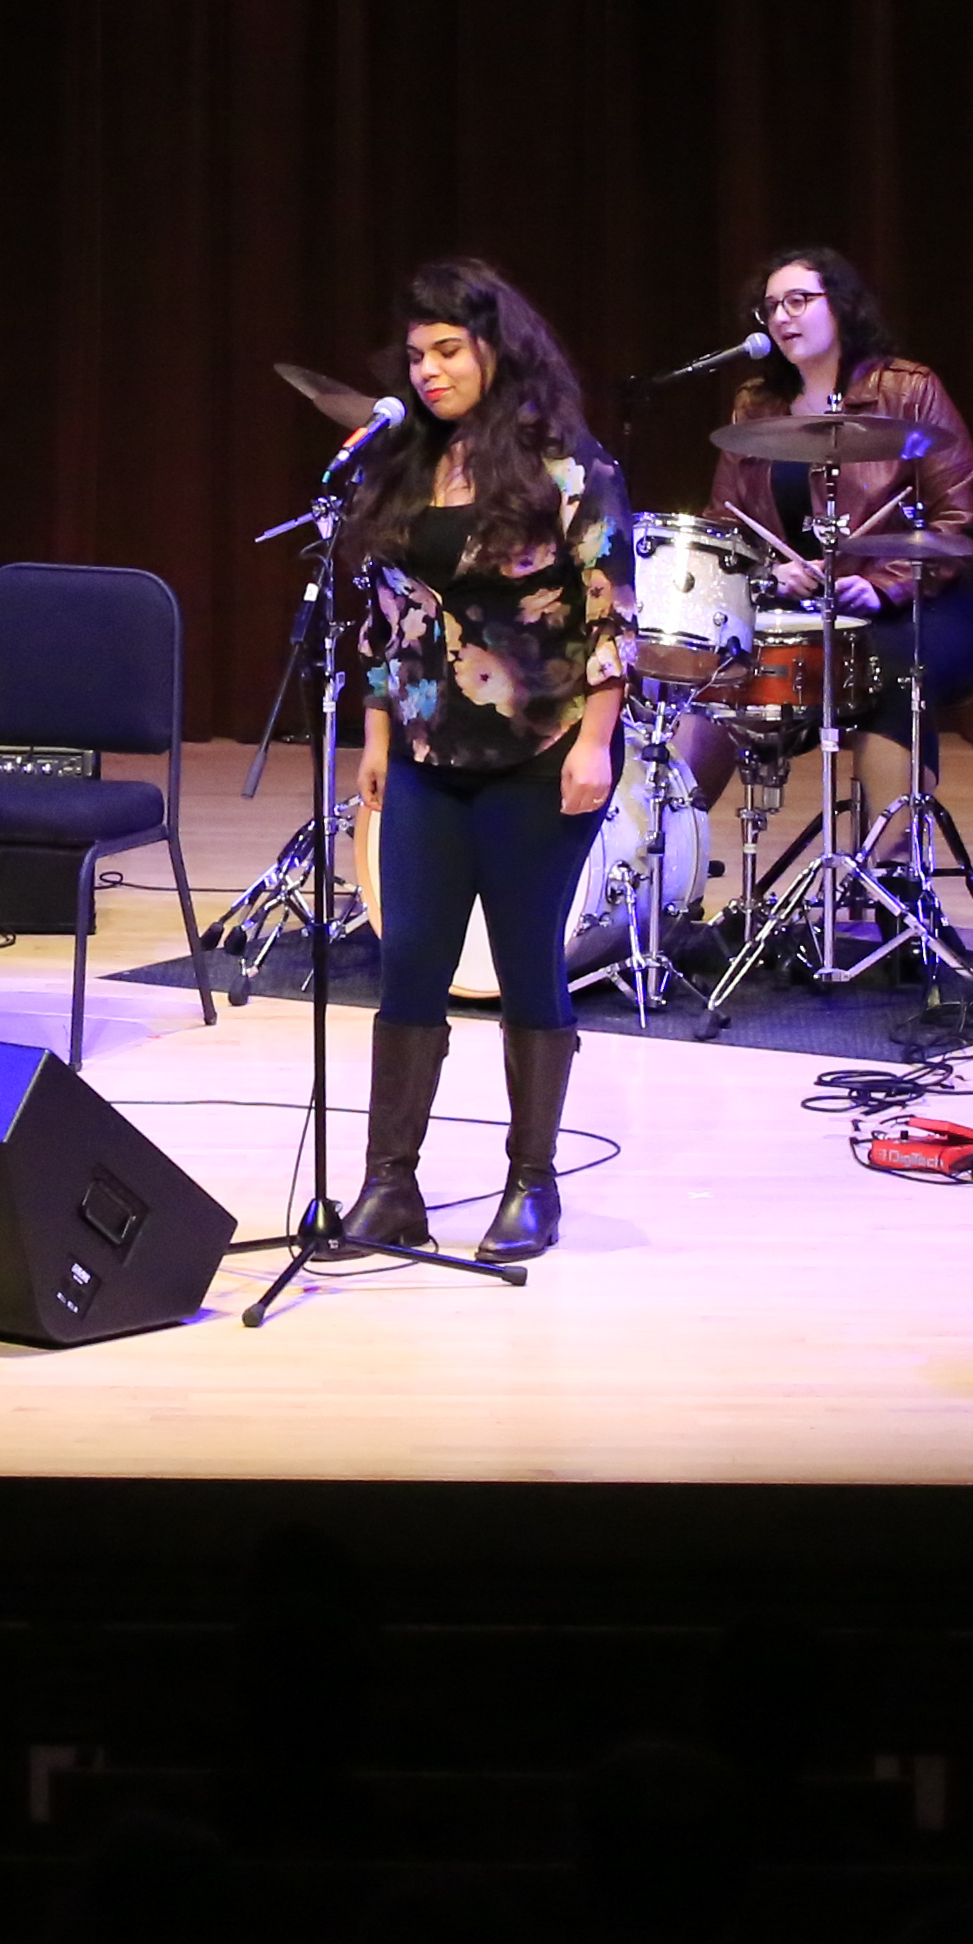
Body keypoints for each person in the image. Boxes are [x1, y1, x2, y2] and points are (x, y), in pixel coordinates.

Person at [342, 258, 632, 1262]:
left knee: (524, 963)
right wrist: (375, 738)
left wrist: (595, 741)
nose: (427, 371)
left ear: (495, 348)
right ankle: (390, 1185)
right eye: (416, 354)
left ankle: (531, 1182)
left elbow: (610, 616)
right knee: (409, 957)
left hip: (540, 746)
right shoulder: (403, 464)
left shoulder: (568, 466)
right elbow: (387, 615)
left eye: (447, 350)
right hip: (426, 745)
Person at [708, 243, 973, 745]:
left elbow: (960, 517)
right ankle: (670, 824)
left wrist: (886, 586)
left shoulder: (908, 389)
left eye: (797, 301)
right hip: (797, 607)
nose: (780, 317)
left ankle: (887, 827)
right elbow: (725, 528)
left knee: (891, 673)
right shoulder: (755, 404)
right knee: (709, 671)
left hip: (920, 603)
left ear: (839, 304)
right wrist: (769, 573)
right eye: (770, 307)